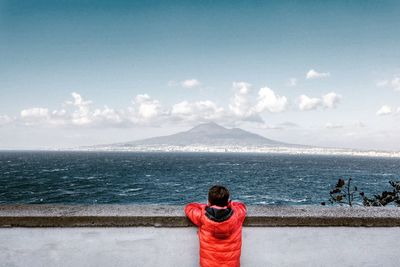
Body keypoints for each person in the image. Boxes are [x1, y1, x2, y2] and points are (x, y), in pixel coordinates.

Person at [184, 185, 247, 267]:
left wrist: (205, 207)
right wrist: (229, 204)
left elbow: (189, 207)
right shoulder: (237, 214)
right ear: (227, 201)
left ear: (209, 201)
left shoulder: (202, 217)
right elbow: (241, 206)